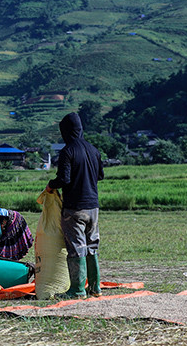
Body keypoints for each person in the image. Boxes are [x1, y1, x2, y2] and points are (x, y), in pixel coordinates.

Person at [46, 112, 105, 299]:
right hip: (93, 208)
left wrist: (51, 185)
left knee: (76, 247)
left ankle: (77, 290)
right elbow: (100, 176)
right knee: (91, 246)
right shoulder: (94, 150)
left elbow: (64, 178)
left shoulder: (68, 151)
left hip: (75, 208)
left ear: (65, 131)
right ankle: (95, 288)